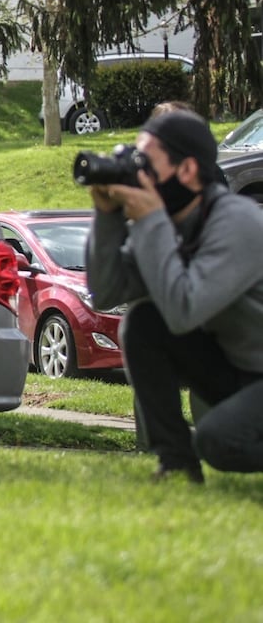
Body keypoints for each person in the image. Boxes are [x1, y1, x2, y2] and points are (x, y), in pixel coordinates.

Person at [86, 109, 263, 483]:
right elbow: (106, 293)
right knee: (142, 322)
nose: (138, 173)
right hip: (240, 370)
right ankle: (176, 464)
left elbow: (184, 309)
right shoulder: (167, 222)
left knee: (220, 440)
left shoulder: (238, 221)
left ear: (187, 171)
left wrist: (149, 220)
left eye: (146, 163)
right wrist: (107, 216)